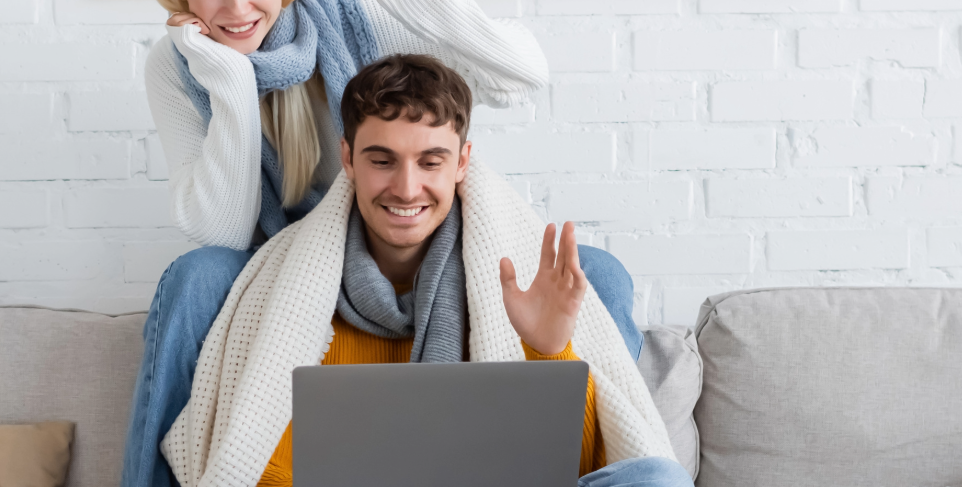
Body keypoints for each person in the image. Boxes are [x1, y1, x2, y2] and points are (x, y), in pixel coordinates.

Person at [128, 0, 649, 487]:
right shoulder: (180, 64)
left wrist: (434, 5)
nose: (237, 10)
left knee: (601, 275)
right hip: (289, 259)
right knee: (195, 277)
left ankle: (628, 460)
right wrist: (232, 83)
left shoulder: (349, 14)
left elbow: (522, 78)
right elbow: (224, 229)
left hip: (403, 234)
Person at [160, 55, 694, 487]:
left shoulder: (511, 287)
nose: (407, 188)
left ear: (463, 163)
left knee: (657, 479)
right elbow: (259, 466)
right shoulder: (295, 292)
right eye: (382, 159)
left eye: (431, 161)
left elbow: (566, 471)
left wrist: (547, 348)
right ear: (347, 158)